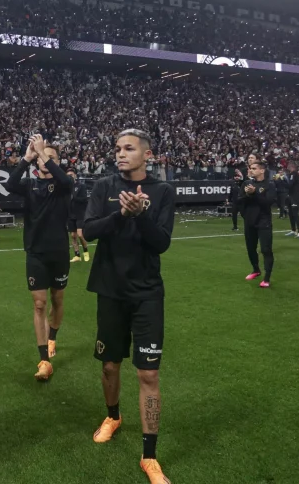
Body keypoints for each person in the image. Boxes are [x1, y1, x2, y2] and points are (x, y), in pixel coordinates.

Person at [83, 129, 175, 484]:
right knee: (109, 366)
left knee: (148, 373)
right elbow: (89, 231)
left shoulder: (163, 192)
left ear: (146, 154)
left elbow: (161, 243)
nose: (120, 153)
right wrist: (121, 215)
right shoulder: (104, 187)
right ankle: (113, 415)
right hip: (110, 290)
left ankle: (149, 456)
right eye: (118, 148)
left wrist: (140, 215)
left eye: (128, 148)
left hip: (148, 293)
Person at [4, 134, 73, 381]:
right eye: (43, 157)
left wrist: (44, 152)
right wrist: (26, 158)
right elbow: (9, 185)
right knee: (40, 304)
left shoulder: (65, 185)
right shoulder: (31, 185)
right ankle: (44, 359)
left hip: (59, 253)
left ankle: (52, 337)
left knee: (57, 298)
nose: (46, 160)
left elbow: (64, 179)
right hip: (35, 253)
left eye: (52, 157)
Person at [239, 161, 275, 287]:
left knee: (266, 249)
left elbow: (268, 203)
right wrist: (248, 195)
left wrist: (255, 194)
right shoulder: (247, 183)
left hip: (263, 221)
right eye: (251, 168)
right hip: (249, 222)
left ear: (262, 170)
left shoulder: (269, 184)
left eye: (254, 168)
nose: (251, 170)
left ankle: (267, 278)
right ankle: (256, 270)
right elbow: (240, 200)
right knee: (250, 248)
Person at [69, 169, 91, 262]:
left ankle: (86, 252)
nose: (70, 176)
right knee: (73, 236)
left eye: (71, 175)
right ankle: (77, 255)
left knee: (80, 235)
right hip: (70, 214)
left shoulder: (81, 186)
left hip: (80, 213)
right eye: (68, 175)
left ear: (75, 176)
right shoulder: (66, 187)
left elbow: (84, 199)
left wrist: (74, 197)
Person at [286, 162, 299, 238]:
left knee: (295, 214)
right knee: (291, 214)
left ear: (292, 167)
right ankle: (293, 230)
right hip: (291, 196)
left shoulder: (294, 174)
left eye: (289, 166)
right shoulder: (292, 174)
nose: (287, 168)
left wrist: (282, 182)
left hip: (295, 197)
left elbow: (290, 184)